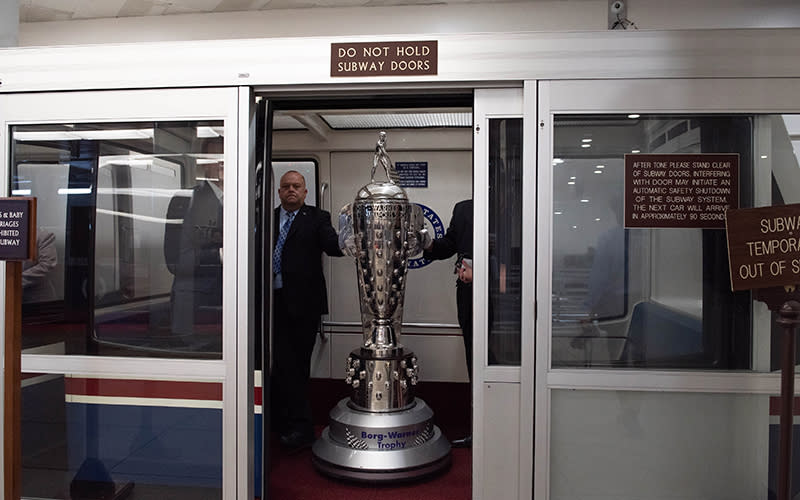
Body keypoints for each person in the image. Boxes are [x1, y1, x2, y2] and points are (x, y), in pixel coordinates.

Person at [271, 170, 343, 451]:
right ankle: (278, 422)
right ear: (279, 192)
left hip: (302, 307)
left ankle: (301, 429)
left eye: (296, 186)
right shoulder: (266, 217)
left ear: (305, 192)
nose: (291, 190)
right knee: (274, 366)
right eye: (286, 186)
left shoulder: (317, 218)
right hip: (270, 304)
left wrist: (349, 238)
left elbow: (332, 246)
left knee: (297, 367)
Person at [423, 199, 473, 448]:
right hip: (468, 297)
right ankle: (478, 427)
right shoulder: (464, 209)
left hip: (506, 300)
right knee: (474, 360)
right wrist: (428, 243)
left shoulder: (517, 205)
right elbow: (449, 245)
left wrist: (484, 269)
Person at [164, 148, 224, 345]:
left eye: (227, 155)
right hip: (194, 306)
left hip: (236, 308)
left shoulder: (248, 199)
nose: (223, 161)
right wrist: (220, 254)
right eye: (217, 156)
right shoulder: (185, 200)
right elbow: (175, 260)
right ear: (204, 163)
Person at [22, 227, 57, 303]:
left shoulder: (43, 235)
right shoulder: (6, 235)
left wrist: (16, 281)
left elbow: (47, 265)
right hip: (7, 298)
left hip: (37, 299)